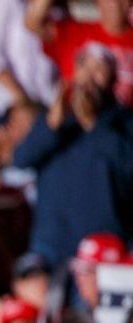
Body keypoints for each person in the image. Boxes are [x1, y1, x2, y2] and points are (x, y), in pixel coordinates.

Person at [13, 43, 133, 267]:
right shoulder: (54, 118)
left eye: (99, 69)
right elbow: (21, 160)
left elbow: (127, 166)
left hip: (102, 250)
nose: (89, 76)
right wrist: (51, 126)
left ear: (113, 79)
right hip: (51, 248)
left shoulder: (124, 122)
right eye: (84, 66)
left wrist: (93, 125)